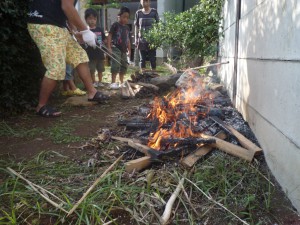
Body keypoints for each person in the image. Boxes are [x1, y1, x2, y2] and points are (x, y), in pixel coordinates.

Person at [27, 0, 108, 118]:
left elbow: (68, 12)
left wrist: (75, 32)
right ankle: (41, 106)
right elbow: (66, 6)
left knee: (79, 55)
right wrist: (85, 30)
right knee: (56, 68)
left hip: (59, 26)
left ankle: (92, 93)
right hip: (43, 24)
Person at [107, 6, 131, 89]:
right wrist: (109, 47)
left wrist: (129, 50)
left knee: (124, 66)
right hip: (115, 48)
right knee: (115, 65)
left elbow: (128, 40)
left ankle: (121, 82)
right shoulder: (115, 25)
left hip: (124, 50)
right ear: (119, 16)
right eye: (124, 17)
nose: (125, 19)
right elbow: (109, 35)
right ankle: (113, 82)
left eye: (127, 17)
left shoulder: (127, 28)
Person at [83, 8, 107, 88]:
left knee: (100, 69)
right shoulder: (85, 31)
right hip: (90, 55)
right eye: (90, 18)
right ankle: (94, 82)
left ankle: (100, 81)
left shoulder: (99, 29)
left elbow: (104, 39)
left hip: (100, 54)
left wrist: (106, 43)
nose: (92, 20)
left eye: (94, 18)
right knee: (91, 70)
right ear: (86, 19)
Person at [134, 0, 159, 71]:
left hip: (152, 40)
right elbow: (136, 26)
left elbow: (158, 25)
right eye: (143, 1)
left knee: (152, 59)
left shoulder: (154, 12)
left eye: (147, 1)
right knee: (142, 59)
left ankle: (153, 74)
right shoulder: (138, 13)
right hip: (142, 40)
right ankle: (143, 75)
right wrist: (136, 39)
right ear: (141, 2)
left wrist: (157, 38)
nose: (145, 3)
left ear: (149, 2)